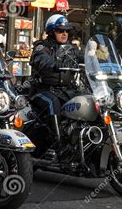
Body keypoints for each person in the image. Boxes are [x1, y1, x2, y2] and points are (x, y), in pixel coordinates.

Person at [29, 14, 83, 153]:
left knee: (89, 101)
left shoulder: (72, 49)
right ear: (51, 32)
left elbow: (85, 60)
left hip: (67, 90)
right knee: (53, 103)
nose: (65, 33)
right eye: (60, 31)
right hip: (43, 91)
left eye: (67, 31)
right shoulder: (42, 47)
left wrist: (99, 62)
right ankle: (58, 143)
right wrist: (54, 64)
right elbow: (41, 60)